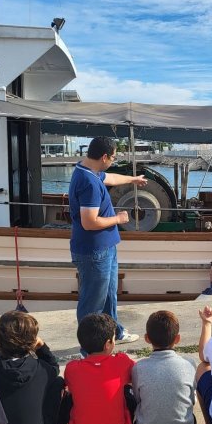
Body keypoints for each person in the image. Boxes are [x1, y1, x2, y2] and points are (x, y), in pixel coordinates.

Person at [68, 136, 148, 343]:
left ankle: (115, 332)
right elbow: (89, 222)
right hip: (94, 252)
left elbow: (110, 178)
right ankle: (90, 347)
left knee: (109, 296)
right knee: (92, 303)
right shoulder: (88, 183)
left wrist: (133, 180)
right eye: (112, 157)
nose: (112, 161)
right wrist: (118, 219)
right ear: (104, 157)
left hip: (106, 248)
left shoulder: (89, 170)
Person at [64, 313, 135, 424]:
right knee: (127, 392)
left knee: (71, 397)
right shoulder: (121, 362)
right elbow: (136, 377)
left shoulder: (72, 369)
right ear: (108, 344)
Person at [131, 311, 197, 424]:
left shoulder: (139, 367)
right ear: (177, 339)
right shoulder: (189, 363)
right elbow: (191, 400)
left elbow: (138, 399)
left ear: (147, 338)